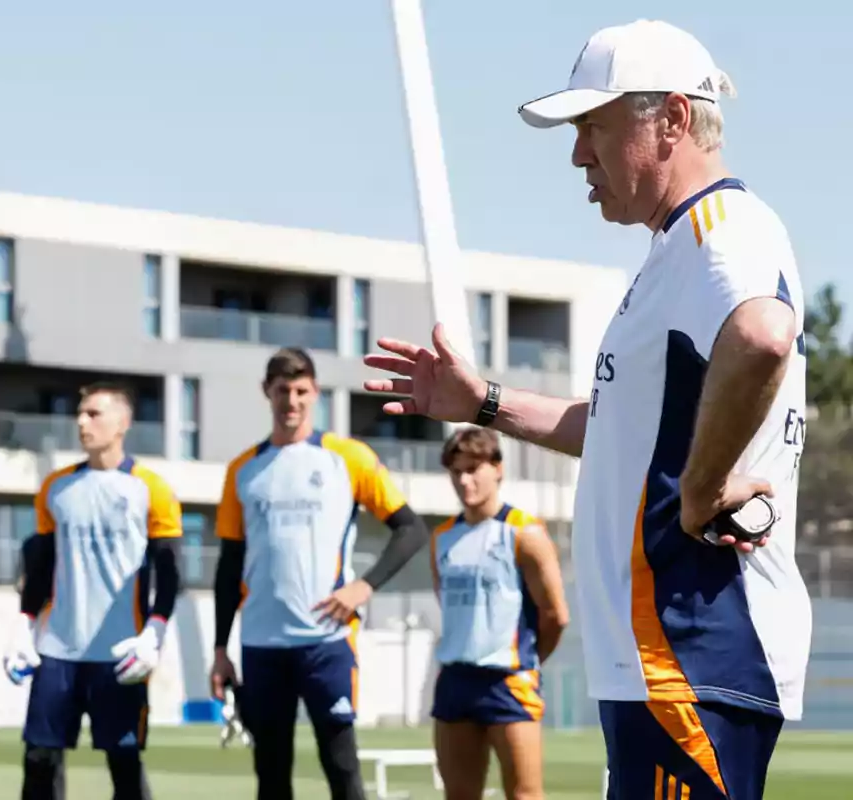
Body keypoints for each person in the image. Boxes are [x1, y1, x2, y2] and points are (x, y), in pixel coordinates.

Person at [363, 19, 809, 800]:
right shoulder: (678, 251)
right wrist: (485, 403)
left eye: (593, 127)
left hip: (689, 652)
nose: (578, 155)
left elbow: (764, 335)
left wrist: (701, 491)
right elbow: (619, 434)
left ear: (672, 119)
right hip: (665, 661)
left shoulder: (719, 231)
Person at [209, 347, 431, 800]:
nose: (291, 401)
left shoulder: (347, 458)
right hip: (262, 644)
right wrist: (219, 648)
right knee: (271, 775)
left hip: (326, 640)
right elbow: (230, 565)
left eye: (300, 391)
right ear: (266, 393)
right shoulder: (242, 470)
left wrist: (363, 586)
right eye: (281, 391)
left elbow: (411, 529)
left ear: (316, 394)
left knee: (341, 767)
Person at [6, 382, 183, 800]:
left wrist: (154, 633)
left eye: (93, 414)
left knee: (123, 763)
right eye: (80, 413)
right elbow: (41, 565)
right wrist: (23, 626)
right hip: (58, 651)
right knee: (39, 761)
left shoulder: (151, 488)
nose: (82, 422)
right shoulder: (56, 488)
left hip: (120, 653)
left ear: (122, 423)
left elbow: (169, 570)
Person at [429, 428, 569, 800]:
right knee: (458, 795)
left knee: (524, 795)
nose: (464, 480)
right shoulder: (442, 537)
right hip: (455, 679)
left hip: (508, 681)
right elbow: (447, 603)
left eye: (473, 468)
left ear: (498, 469)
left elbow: (555, 614)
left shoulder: (524, 532)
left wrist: (528, 661)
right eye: (456, 471)